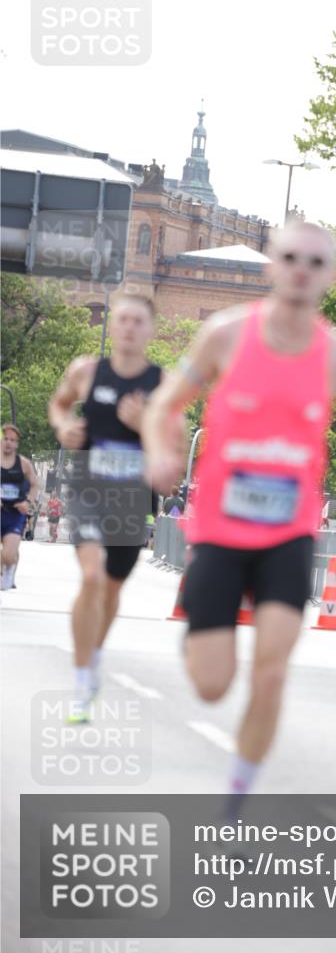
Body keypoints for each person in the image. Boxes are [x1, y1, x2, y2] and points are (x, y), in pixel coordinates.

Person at [143, 220, 336, 814]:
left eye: (315, 261)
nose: (301, 269)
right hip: (221, 533)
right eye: (290, 257)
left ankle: (237, 797)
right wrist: (162, 453)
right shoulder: (224, 336)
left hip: (288, 533)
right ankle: (207, 640)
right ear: (270, 267)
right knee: (212, 683)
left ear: (330, 276)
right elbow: (164, 405)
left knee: (273, 672)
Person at [48, 294, 173, 723]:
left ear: (151, 329)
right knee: (91, 575)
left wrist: (146, 426)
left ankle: (94, 654)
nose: (129, 328)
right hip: (88, 487)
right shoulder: (86, 370)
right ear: (112, 324)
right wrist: (64, 425)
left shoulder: (164, 383)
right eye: (122, 319)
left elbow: (173, 452)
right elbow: (59, 403)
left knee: (112, 589)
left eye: (139, 321)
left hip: (132, 497)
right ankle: (81, 680)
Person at [1, 424, 40, 590]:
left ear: (17, 444)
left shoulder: (24, 464)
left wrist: (28, 502)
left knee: (9, 555)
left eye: (13, 440)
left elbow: (35, 485)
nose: (9, 443)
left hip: (15, 513)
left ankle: (9, 566)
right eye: (6, 439)